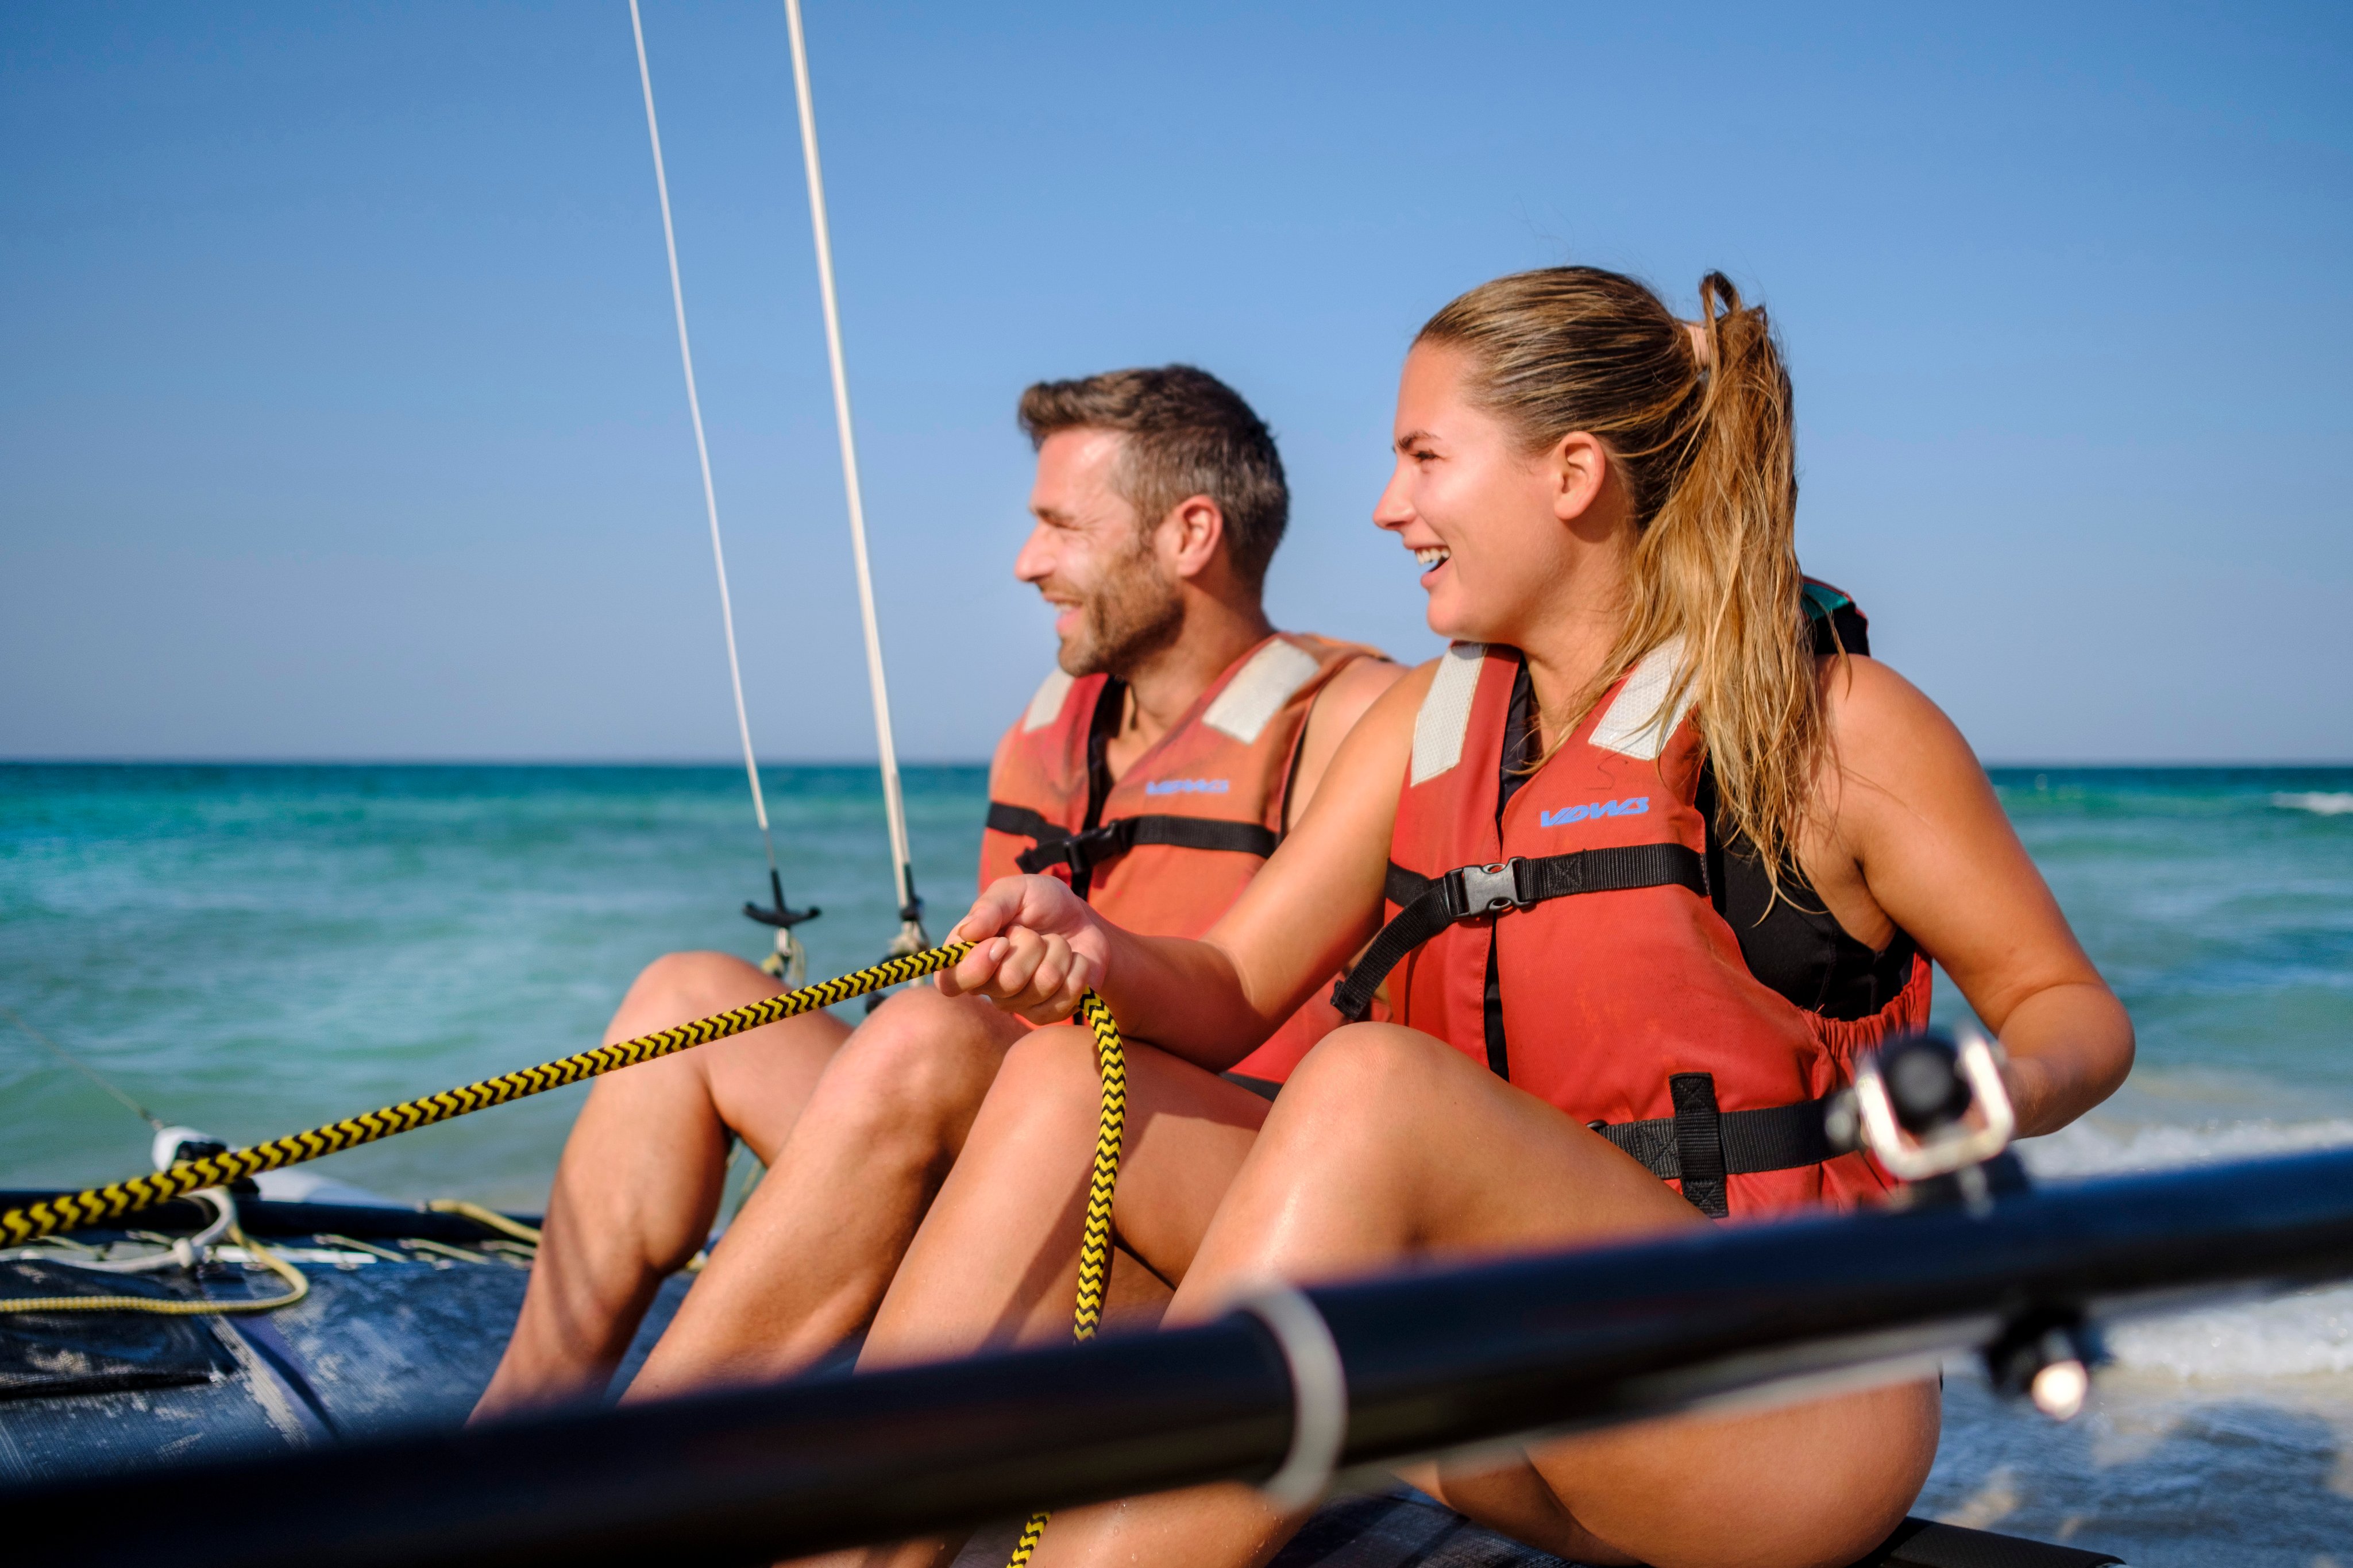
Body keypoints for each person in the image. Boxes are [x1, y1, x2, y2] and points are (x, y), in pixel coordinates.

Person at [839, 268, 2136, 1568]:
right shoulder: (1427, 724)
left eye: (1423, 457)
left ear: (1570, 475)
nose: (1385, 506)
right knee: (1062, 1080)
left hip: (1774, 1405)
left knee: (1372, 1083)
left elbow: (2069, 1011)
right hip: (1510, 1374)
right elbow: (1229, 985)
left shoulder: (1833, 728)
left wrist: (1997, 1092)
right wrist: (1093, 948)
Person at [470, 366, 1398, 1418]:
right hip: (1008, 1164)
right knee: (685, 996)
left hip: (1206, 1231)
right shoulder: (1044, 737)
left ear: (1191, 535)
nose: (1026, 562)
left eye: (1061, 526)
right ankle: (504, 1445)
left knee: (925, 1037)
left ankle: (629, 1482)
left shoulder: (1353, 723)